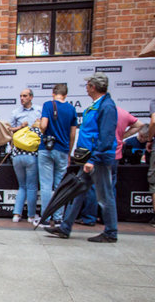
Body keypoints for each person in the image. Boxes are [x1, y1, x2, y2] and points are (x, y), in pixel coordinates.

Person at [46, 72, 119, 243]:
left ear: (93, 87)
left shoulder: (107, 106)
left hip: (98, 159)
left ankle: (111, 232)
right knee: (76, 192)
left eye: (87, 85)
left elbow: (106, 136)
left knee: (105, 196)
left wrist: (93, 159)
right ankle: (65, 228)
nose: (86, 88)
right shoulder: (98, 104)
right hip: (90, 158)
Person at [37, 83, 77, 225]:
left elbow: (44, 126)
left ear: (53, 93)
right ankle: (58, 218)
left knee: (46, 185)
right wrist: (69, 152)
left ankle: (45, 218)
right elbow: (73, 134)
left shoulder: (48, 105)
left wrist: (40, 127)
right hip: (63, 149)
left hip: (46, 148)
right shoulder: (72, 109)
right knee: (60, 185)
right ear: (66, 95)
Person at [9, 89, 42, 223]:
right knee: (29, 186)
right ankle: (30, 216)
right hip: (21, 154)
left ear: (31, 97)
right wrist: (21, 127)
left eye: (25, 96)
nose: (22, 98)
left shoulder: (39, 110)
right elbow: (9, 131)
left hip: (29, 154)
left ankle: (18, 214)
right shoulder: (15, 112)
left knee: (25, 186)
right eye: (21, 96)